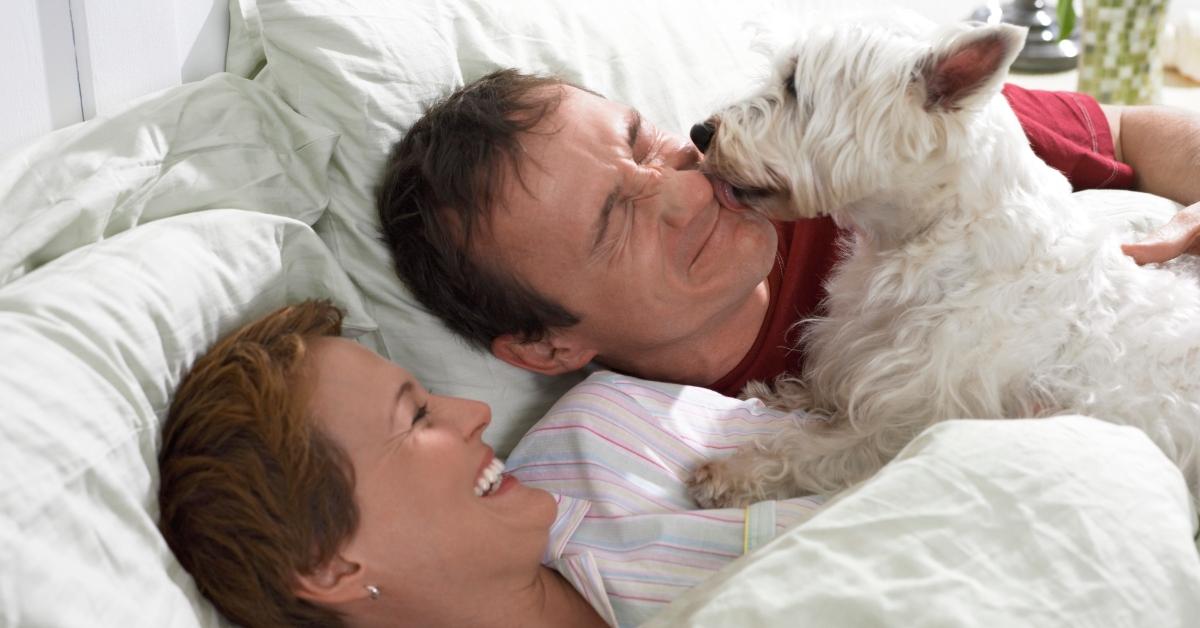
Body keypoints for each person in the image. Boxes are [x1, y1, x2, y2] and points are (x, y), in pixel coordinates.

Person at [378, 69, 1200, 395]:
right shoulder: (635, 462)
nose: (683, 188)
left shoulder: (837, 145)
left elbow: (1122, 132)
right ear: (545, 346)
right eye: (609, 221)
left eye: (640, 141)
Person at [157, 300, 820, 627]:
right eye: (415, 418)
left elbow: (887, 452)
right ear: (331, 565)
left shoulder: (610, 432)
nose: (473, 411)